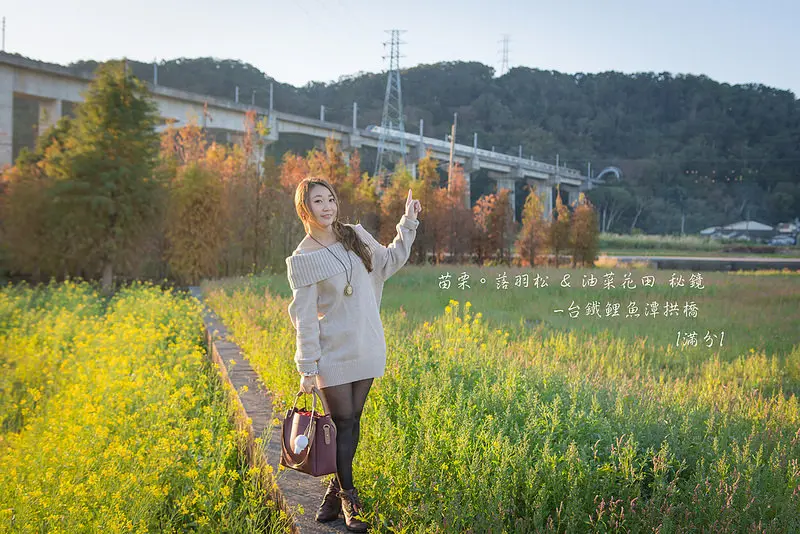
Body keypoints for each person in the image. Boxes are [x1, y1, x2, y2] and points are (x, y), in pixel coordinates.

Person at [285, 177, 422, 532]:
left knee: (352, 422)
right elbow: (304, 319)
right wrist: (307, 367)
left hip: (367, 345)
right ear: (305, 208)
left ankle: (333, 493)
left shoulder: (355, 236)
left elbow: (390, 261)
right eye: (318, 201)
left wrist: (408, 222)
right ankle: (350, 499)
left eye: (330, 198)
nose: (328, 206)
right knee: (342, 423)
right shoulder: (303, 258)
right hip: (333, 354)